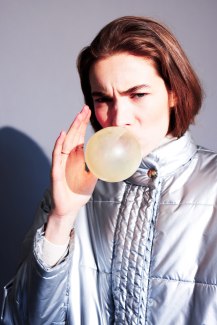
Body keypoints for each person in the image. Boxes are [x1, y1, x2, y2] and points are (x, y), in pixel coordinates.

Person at [1, 16, 217, 325]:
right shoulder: (72, 188)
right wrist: (62, 218)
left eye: (137, 94)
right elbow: (24, 319)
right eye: (103, 99)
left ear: (175, 93)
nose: (118, 117)